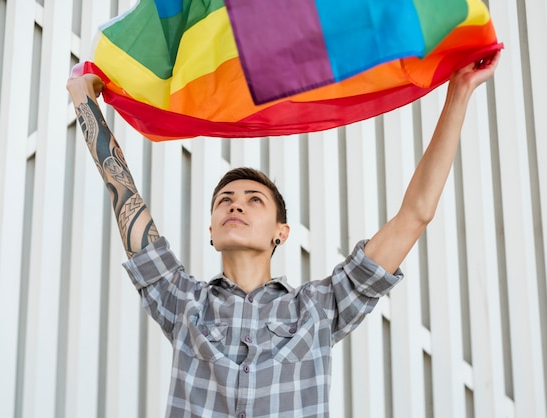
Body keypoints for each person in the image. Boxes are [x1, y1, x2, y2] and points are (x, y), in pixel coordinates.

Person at [67, 51, 500, 418]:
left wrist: (459, 93)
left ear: (282, 232)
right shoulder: (183, 304)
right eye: (225, 200)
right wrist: (84, 103)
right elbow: (124, 194)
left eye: (254, 199)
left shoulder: (319, 309)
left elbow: (415, 214)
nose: (236, 204)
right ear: (212, 233)